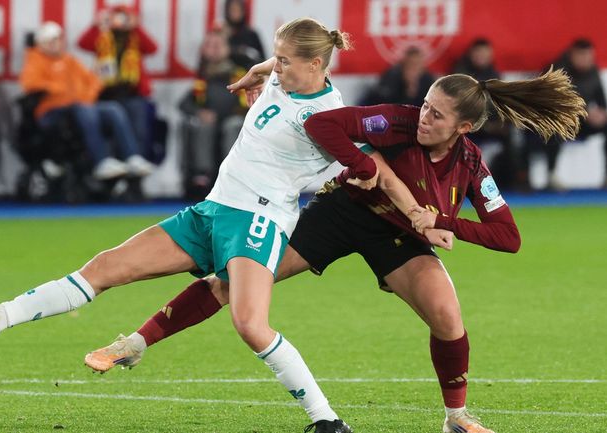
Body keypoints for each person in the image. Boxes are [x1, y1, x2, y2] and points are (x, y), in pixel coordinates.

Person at [0, 17, 376, 432]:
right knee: (107, 266)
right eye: (275, 57)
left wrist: (408, 205)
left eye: (283, 60)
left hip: (258, 221)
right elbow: (270, 69)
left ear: (315, 64)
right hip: (212, 210)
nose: (274, 67)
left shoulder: (326, 117)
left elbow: (369, 160)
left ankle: (326, 419)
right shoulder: (284, 78)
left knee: (250, 325)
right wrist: (255, 74)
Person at [85, 70, 586, 433]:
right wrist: (362, 164)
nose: (424, 117)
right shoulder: (396, 121)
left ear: (464, 129)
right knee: (236, 281)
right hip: (342, 212)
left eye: (437, 114)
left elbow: (509, 237)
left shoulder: (471, 165)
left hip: (398, 239)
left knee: (447, 317)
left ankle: (456, 419)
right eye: (426, 104)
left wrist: (443, 222)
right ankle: (135, 343)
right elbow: (325, 126)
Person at [19, 21, 155, 181]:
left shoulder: (69, 60)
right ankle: (101, 160)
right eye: (51, 41)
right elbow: (30, 84)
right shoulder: (35, 61)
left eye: (58, 40)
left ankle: (132, 157)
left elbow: (93, 81)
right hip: (52, 112)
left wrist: (85, 96)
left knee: (112, 109)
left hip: (80, 107)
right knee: (85, 110)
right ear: (41, 44)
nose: (56, 44)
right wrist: (65, 92)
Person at [524, 38, 607, 190]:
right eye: (582, 56)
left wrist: (601, 115)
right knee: (556, 127)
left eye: (589, 56)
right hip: (552, 120)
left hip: (582, 122)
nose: (585, 60)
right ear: (572, 54)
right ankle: (551, 175)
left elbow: (601, 103)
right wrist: (586, 112)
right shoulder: (556, 71)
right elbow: (553, 105)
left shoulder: (593, 72)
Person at [77, 6, 158, 158]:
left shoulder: (134, 38)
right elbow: (83, 43)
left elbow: (152, 48)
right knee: (108, 132)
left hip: (132, 94)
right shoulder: (102, 36)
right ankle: (111, 167)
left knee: (138, 131)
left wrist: (137, 27)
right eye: (116, 17)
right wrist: (96, 25)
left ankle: (136, 167)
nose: (120, 22)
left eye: (124, 18)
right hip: (106, 94)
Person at [179, 28, 249, 200]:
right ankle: (203, 175)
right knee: (203, 124)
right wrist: (199, 112)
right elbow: (183, 104)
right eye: (210, 45)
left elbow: (249, 102)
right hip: (211, 124)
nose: (215, 49)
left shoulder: (238, 74)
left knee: (232, 125)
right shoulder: (203, 78)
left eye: (219, 45)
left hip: (234, 119)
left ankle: (231, 176)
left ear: (227, 48)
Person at [452, 38, 518, 189]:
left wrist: (504, 121)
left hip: (490, 124)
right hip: (468, 126)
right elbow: (462, 108)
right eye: (479, 53)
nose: (482, 57)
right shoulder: (460, 76)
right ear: (471, 54)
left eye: (485, 53)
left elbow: (500, 104)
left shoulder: (493, 74)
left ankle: (511, 180)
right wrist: (487, 126)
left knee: (512, 133)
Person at [363, 46, 436, 106]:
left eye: (418, 64)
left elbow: (431, 103)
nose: (414, 68)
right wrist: (406, 89)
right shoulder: (392, 76)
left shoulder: (428, 79)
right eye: (411, 64)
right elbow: (382, 101)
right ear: (404, 64)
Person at [222, 0, 265, 68]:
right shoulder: (221, 32)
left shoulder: (251, 34)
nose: (235, 13)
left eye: (238, 10)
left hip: (248, 73)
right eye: (233, 10)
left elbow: (262, 59)